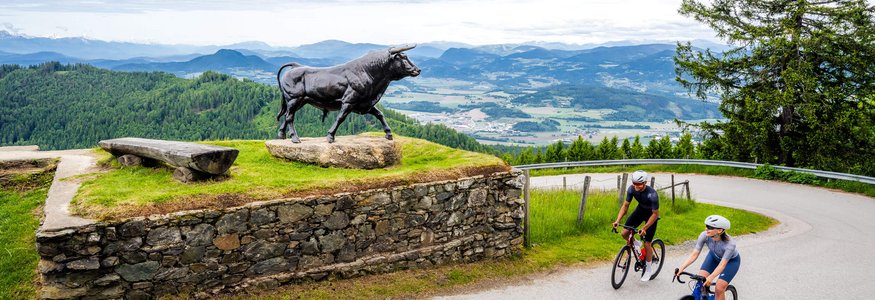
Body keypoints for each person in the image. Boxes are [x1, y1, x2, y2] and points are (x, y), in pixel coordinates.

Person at [674, 215, 740, 300]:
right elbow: (694, 254)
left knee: (719, 289)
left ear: (719, 230)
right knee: (700, 282)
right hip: (713, 257)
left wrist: (711, 277)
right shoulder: (704, 235)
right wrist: (681, 268)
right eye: (706, 226)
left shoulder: (730, 244)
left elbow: (722, 265)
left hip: (730, 262)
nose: (706, 229)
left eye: (709, 227)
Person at [612, 170, 660, 281]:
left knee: (647, 244)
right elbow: (625, 206)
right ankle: (636, 243)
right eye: (634, 183)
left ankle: (648, 270)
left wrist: (644, 228)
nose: (636, 186)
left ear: (645, 183)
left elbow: (655, 214)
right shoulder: (631, 189)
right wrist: (618, 220)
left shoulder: (652, 195)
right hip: (640, 211)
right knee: (624, 233)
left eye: (638, 184)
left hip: (651, 216)